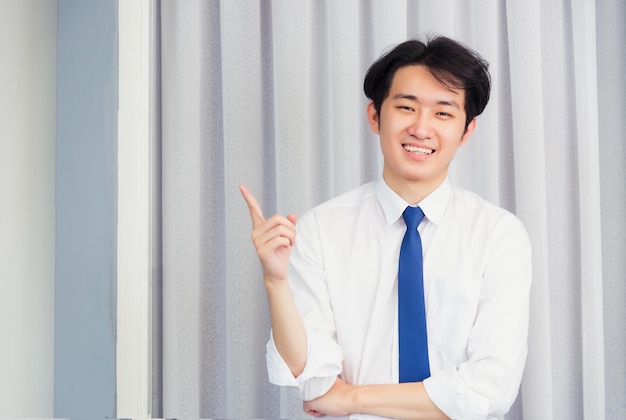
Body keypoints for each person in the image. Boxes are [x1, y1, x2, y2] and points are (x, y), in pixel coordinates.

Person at [240, 36, 532, 419]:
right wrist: (275, 282)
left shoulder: (499, 235)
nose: (421, 128)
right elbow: (312, 381)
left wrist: (351, 399)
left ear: (467, 130)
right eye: (406, 107)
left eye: (443, 113)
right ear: (375, 116)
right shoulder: (321, 230)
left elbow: (490, 388)